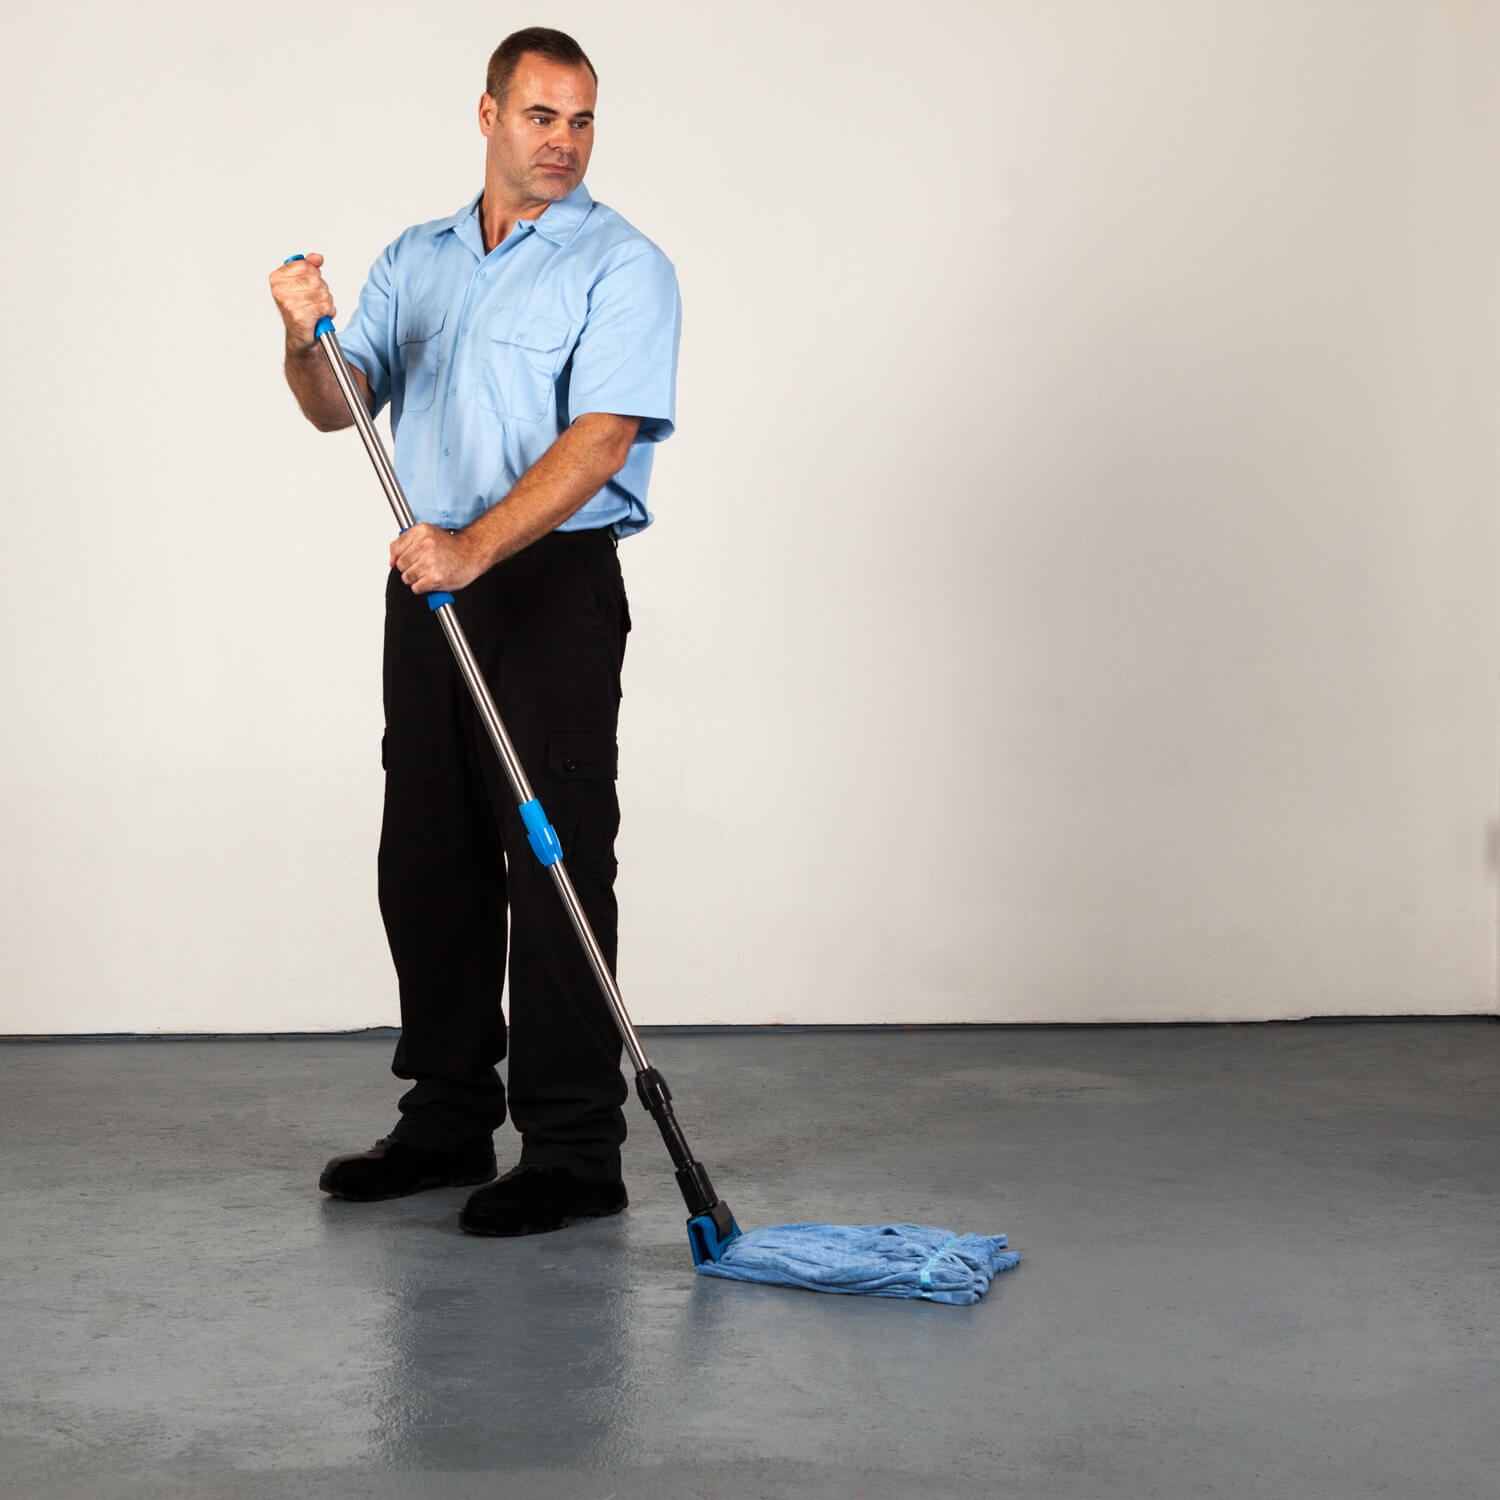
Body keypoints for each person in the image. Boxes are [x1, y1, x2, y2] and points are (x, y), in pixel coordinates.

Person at [266, 27, 681, 1237]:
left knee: (551, 860)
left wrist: (475, 549)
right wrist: (305, 333)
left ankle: (571, 1149)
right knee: (430, 856)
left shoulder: (623, 264)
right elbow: (337, 406)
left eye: (583, 120)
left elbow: (601, 439)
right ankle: (446, 1120)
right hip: (429, 582)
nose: (563, 142)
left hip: (546, 586)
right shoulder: (421, 258)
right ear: (489, 113)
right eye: (542, 116)